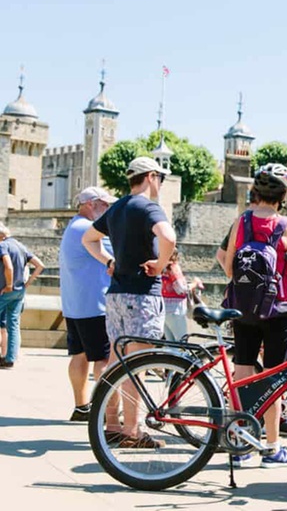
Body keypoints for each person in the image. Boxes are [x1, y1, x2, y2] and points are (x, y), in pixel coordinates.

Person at [82, 156, 176, 447]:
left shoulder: (119, 207)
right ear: (150, 176)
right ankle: (133, 432)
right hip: (142, 293)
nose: (160, 182)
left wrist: (108, 260)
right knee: (138, 365)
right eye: (159, 177)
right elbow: (168, 237)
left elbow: (88, 238)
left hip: (116, 294)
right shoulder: (147, 207)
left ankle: (111, 424)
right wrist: (160, 265)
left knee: (115, 361)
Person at [224, 163, 287, 467]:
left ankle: (241, 445)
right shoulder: (286, 226)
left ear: (256, 191)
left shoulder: (241, 222)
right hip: (278, 309)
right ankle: (271, 447)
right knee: (274, 379)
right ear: (283, 195)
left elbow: (230, 267)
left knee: (242, 375)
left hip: (243, 309)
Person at [59, 187, 116, 420]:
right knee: (102, 360)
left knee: (79, 355)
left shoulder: (73, 226)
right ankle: (105, 411)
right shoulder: (88, 229)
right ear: (92, 204)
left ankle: (82, 407)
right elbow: (119, 254)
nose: (108, 210)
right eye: (105, 205)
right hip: (94, 304)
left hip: (75, 304)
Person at [0, 223, 46, 369]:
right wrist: (27, 284)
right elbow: (40, 265)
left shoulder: (3, 246)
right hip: (19, 292)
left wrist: (8, 285)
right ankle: (10, 359)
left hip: (5, 290)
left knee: (9, 324)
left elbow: (8, 266)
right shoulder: (20, 246)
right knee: (13, 325)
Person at [161, 249, 202, 342]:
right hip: (175, 310)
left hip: (164, 309)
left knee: (170, 343)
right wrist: (195, 283)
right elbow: (182, 289)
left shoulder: (161, 268)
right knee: (182, 341)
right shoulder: (173, 268)